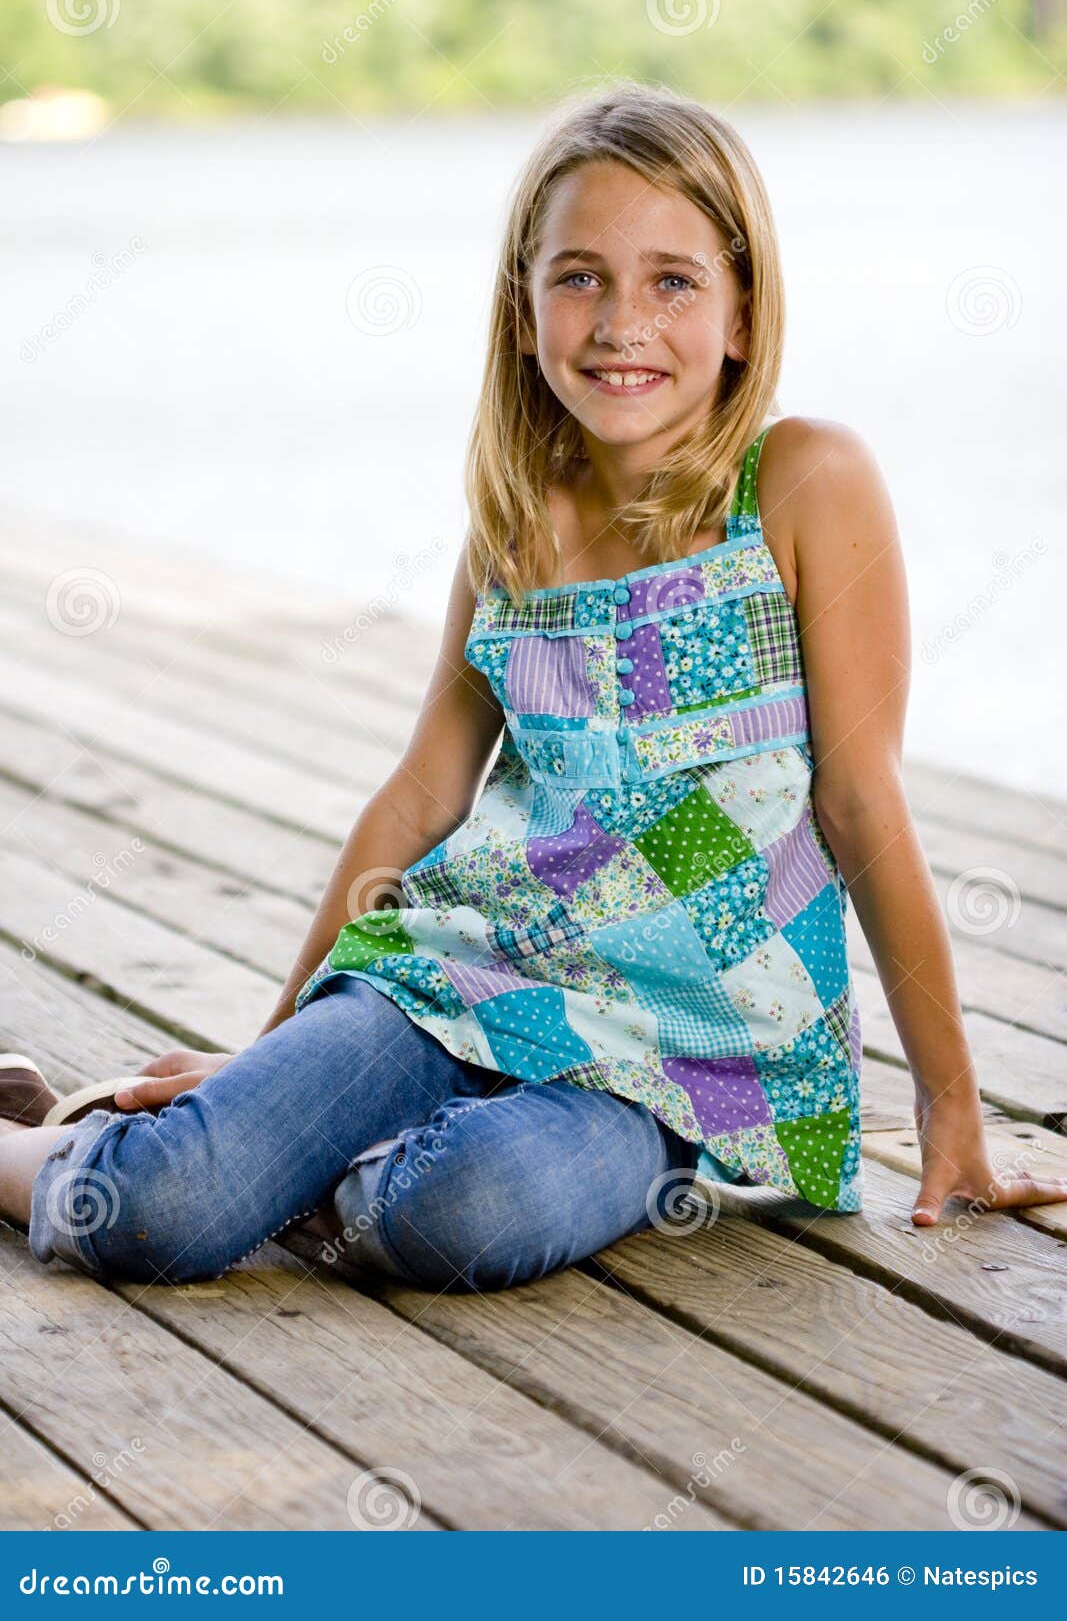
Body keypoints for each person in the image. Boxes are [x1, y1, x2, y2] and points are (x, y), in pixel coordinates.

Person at [4, 79, 1065, 1294]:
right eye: (579, 278)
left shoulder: (804, 484)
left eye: (672, 279)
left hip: (673, 1053)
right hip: (460, 970)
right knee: (162, 1210)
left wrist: (950, 1108)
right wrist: (280, 1049)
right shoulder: (516, 524)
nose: (623, 321)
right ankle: (47, 1142)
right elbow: (420, 797)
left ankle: (278, 1158)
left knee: (465, 1211)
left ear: (739, 312)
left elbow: (857, 801)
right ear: (522, 312)